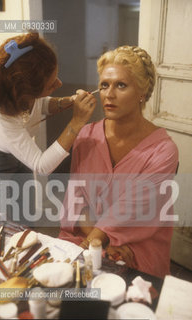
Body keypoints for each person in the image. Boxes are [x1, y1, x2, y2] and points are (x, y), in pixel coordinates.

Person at [59, 45, 179, 278]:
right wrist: (97, 241)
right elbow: (77, 200)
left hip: (137, 243)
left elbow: (132, 209)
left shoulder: (163, 151)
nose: (108, 94)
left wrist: (98, 241)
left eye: (121, 85)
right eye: (104, 85)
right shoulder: (85, 136)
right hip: (88, 234)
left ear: (142, 93)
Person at [0, 32, 96, 214]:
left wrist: (69, 100)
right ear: (26, 92)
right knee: (0, 224)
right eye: (51, 84)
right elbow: (42, 166)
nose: (59, 84)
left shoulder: (23, 93)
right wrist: (77, 121)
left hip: (18, 154)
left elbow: (41, 104)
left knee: (25, 215)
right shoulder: (1, 117)